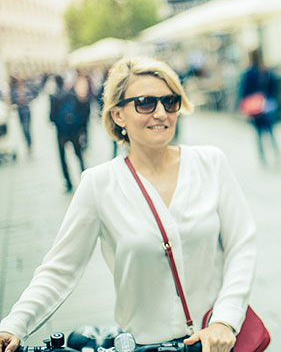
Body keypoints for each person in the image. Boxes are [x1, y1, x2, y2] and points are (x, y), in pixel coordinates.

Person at [0, 57, 256, 352]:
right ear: (118, 114)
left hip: (217, 343)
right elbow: (59, 269)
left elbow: (242, 246)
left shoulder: (210, 162)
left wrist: (225, 320)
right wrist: (13, 325)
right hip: (145, 346)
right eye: (145, 102)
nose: (161, 113)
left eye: (170, 102)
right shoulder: (99, 183)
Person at [238, 48, 280, 166]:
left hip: (254, 106)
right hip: (268, 104)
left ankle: (263, 158)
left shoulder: (249, 72)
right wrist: (269, 97)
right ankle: (276, 154)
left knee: (258, 133)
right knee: (271, 131)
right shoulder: (266, 70)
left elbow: (244, 90)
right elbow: (274, 85)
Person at [50, 75, 89, 192]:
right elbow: (82, 111)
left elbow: (51, 116)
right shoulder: (72, 95)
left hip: (61, 133)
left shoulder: (54, 97)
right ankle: (84, 177)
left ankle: (68, 182)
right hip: (74, 131)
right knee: (79, 155)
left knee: (63, 157)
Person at [9, 76, 35, 155]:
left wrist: (25, 100)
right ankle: (27, 143)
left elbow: (32, 97)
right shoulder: (14, 91)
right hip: (20, 112)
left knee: (27, 128)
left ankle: (29, 144)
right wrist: (17, 102)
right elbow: (12, 100)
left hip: (26, 111)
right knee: (23, 129)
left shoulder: (26, 89)